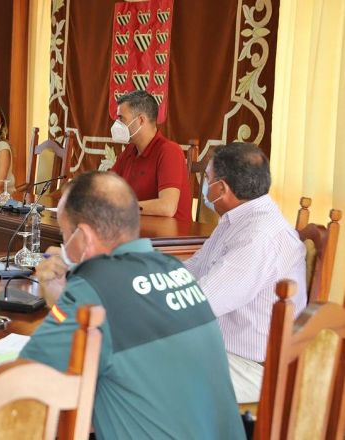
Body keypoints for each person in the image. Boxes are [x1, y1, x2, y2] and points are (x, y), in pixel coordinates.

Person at [20, 171, 244, 439]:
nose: (63, 243)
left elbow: (27, 381)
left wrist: (59, 305)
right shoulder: (176, 270)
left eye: (64, 233)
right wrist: (62, 302)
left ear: (83, 236)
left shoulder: (94, 286)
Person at [184, 142, 307, 403]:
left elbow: (199, 303)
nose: (205, 187)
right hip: (221, 350)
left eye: (207, 179)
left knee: (143, 376)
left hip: (252, 369)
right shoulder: (235, 219)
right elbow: (194, 269)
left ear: (222, 188)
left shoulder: (258, 236)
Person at [109, 90, 192, 222]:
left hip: (168, 238)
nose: (117, 124)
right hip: (137, 230)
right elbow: (106, 185)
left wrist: (123, 208)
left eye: (121, 118)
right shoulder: (130, 150)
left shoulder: (169, 150)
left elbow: (167, 207)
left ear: (141, 120)